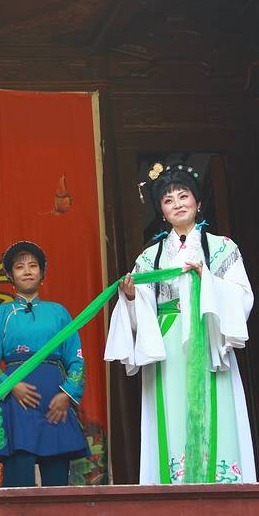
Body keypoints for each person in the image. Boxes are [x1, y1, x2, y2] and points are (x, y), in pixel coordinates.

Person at [105, 162, 256, 484]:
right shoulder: (150, 257)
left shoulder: (222, 247)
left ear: (198, 202)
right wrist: (130, 296)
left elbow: (242, 296)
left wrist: (207, 280)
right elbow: (143, 306)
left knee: (217, 405)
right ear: (161, 211)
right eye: (168, 200)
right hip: (169, 341)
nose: (177, 204)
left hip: (209, 336)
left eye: (183, 196)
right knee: (170, 410)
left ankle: (222, 481)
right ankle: (173, 483)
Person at [0, 241, 89, 487]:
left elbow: (76, 359)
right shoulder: (0, 314)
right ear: (10, 275)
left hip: (54, 404)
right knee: (18, 483)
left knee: (57, 486)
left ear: (42, 273)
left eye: (33, 266)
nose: (27, 271)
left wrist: (66, 395)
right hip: (16, 404)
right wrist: (11, 386)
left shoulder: (59, 312)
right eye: (20, 267)